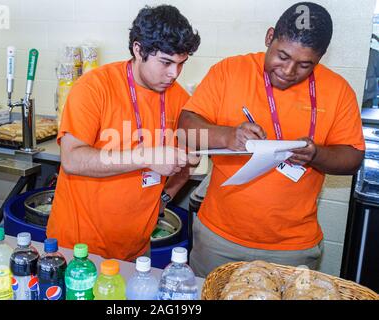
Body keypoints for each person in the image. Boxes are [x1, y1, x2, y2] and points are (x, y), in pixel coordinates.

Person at [178, 2, 365, 277]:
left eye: (304, 65)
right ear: (269, 37)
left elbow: (353, 158)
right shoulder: (229, 71)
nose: (288, 71)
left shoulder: (338, 91)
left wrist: (316, 155)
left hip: (292, 248)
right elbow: (185, 127)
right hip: (219, 238)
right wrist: (228, 135)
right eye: (282, 56)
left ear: (321, 57)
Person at [47, 5, 201, 261]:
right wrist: (147, 157)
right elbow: (73, 159)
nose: (174, 74)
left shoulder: (180, 100)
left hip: (136, 250)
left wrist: (164, 198)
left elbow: (190, 160)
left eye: (181, 64)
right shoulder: (95, 87)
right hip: (77, 247)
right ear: (138, 50)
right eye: (166, 62)